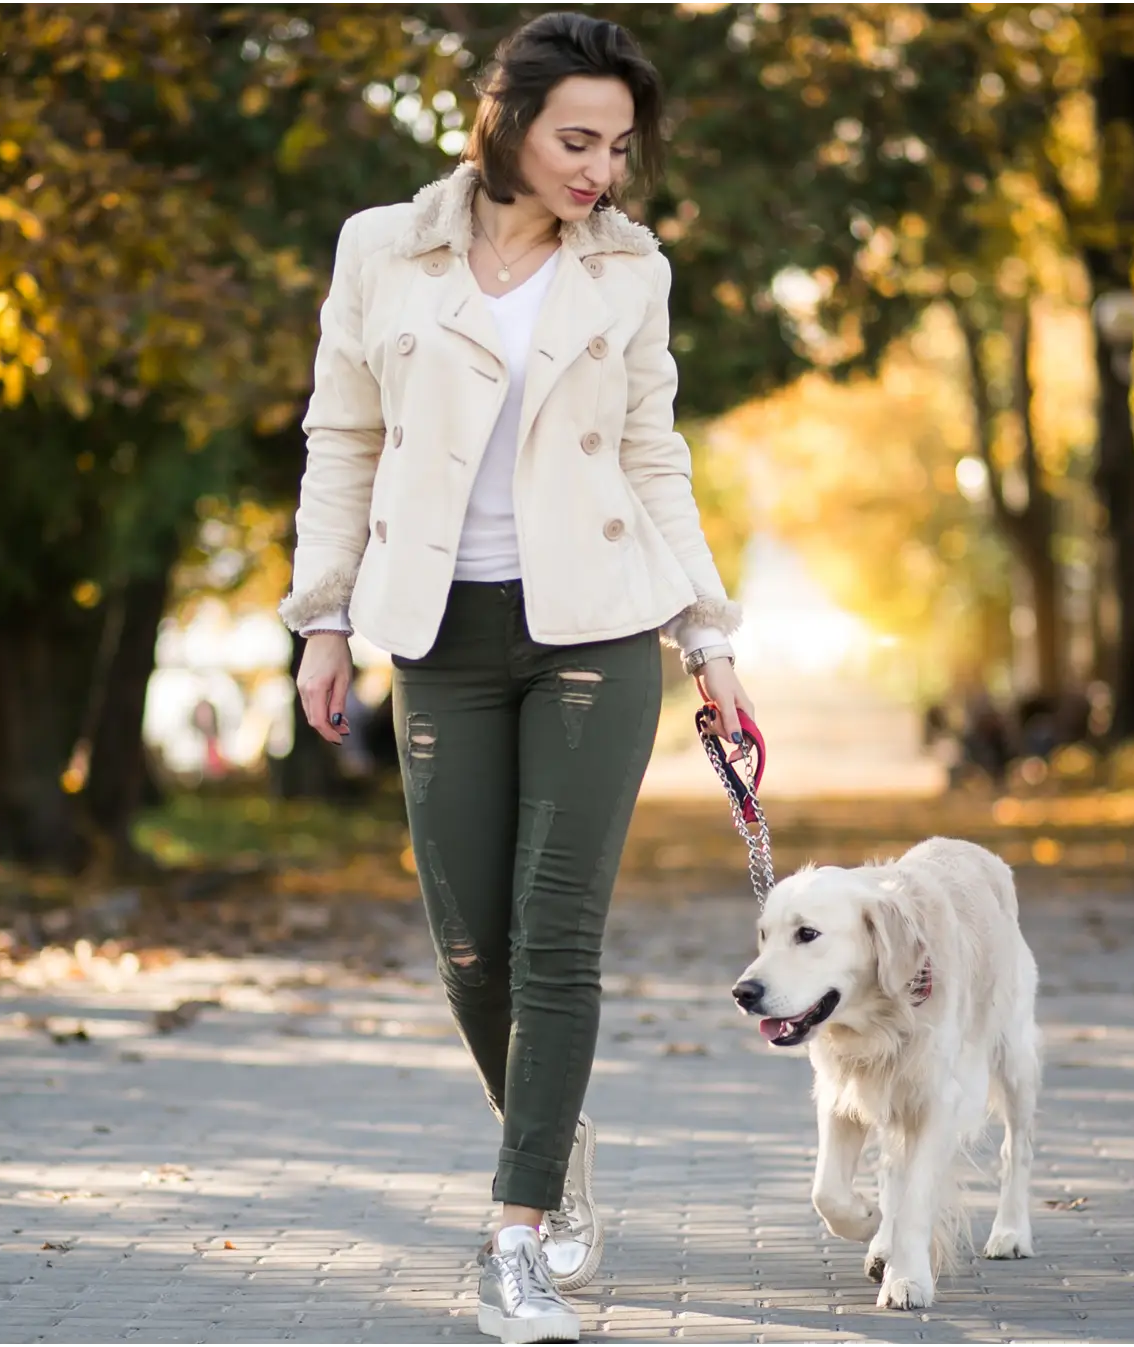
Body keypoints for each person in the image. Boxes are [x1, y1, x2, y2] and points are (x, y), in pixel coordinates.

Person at [279, 14, 752, 1343]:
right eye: (574, 139)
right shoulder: (383, 247)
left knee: (553, 929)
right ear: (505, 122)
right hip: (440, 635)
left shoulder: (628, 270)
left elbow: (654, 456)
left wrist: (706, 637)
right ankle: (553, 1139)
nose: (599, 168)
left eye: (617, 145)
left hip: (596, 630)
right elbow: (342, 434)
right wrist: (321, 618)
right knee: (469, 947)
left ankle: (515, 1233)